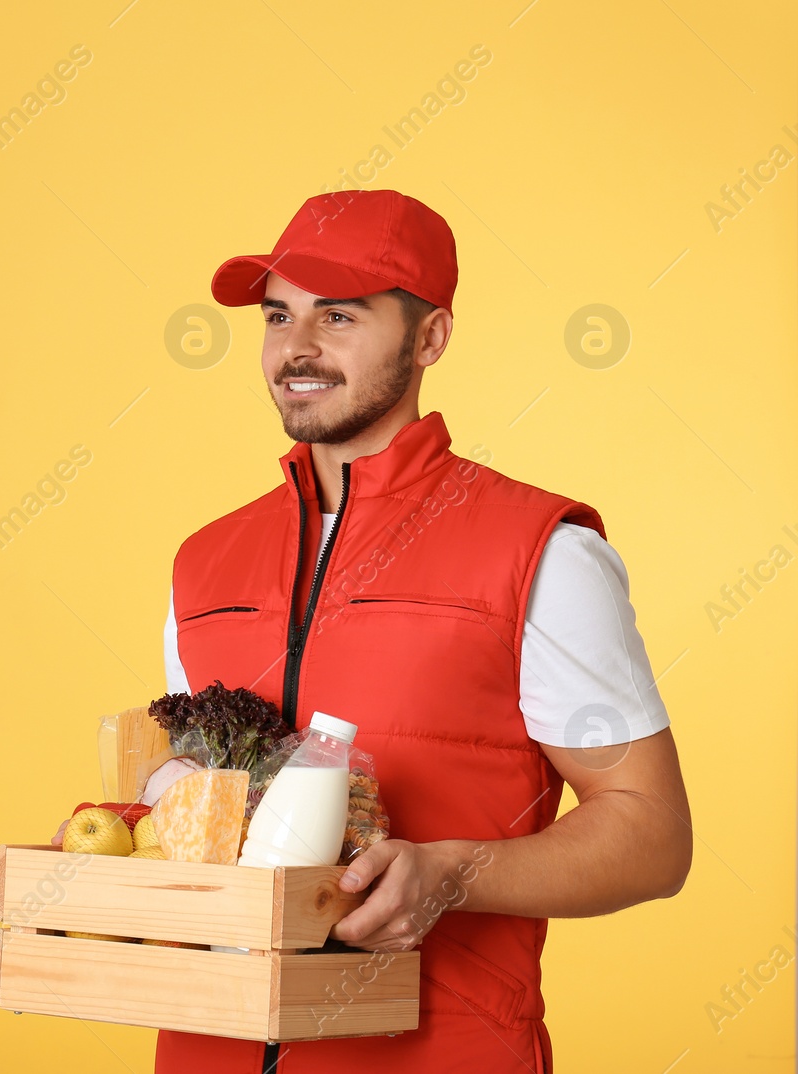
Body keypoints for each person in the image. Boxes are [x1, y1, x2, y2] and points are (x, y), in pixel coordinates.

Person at [150, 189, 692, 1073]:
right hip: (203, 1047)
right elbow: (193, 809)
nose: (297, 349)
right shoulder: (204, 562)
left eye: (338, 316)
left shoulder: (536, 551)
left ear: (431, 338)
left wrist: (454, 873)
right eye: (277, 315)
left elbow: (654, 834)